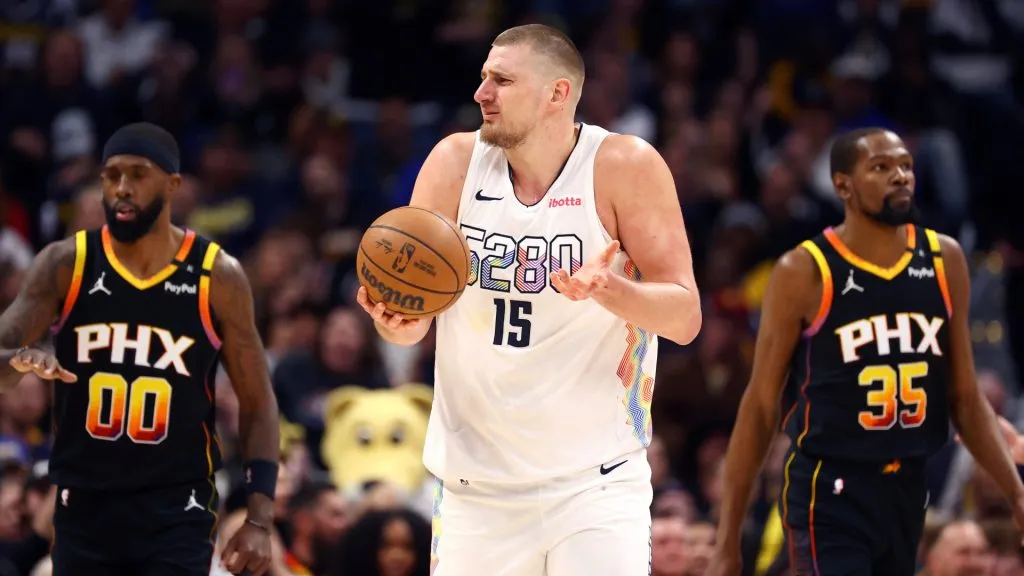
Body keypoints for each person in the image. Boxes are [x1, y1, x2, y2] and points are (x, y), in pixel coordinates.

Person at [356, 23, 701, 576]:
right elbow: (415, 324)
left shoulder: (623, 166)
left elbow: (684, 317)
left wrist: (610, 289)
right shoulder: (454, 162)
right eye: (483, 78)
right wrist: (395, 319)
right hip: (475, 487)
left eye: (502, 80)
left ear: (556, 94)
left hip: (595, 483)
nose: (481, 93)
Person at [706, 127, 1024, 576]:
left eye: (905, 166)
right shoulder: (805, 270)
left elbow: (966, 398)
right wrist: (727, 540)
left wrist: (1016, 493)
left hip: (907, 487)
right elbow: (760, 406)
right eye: (881, 167)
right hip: (830, 489)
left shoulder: (944, 260)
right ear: (843, 186)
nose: (900, 176)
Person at [0, 123, 280, 576]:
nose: (122, 188)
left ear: (173, 185)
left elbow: (257, 402)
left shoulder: (216, 275)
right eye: (111, 176)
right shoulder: (66, 263)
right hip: (83, 508)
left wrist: (259, 517)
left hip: (177, 511)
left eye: (138, 174)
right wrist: (17, 362)